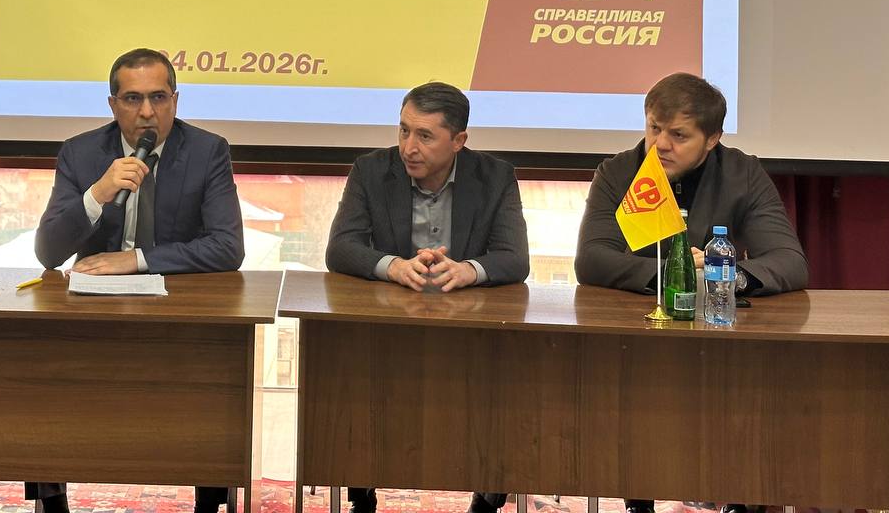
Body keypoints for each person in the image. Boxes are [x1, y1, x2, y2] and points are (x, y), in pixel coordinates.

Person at [575, 71, 808, 513]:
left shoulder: (742, 172)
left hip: (719, 335)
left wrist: (724, 274)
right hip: (639, 335)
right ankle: (637, 497)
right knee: (633, 400)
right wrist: (676, 272)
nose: (660, 145)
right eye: (654, 128)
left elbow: (789, 262)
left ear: (712, 139)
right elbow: (591, 259)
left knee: (750, 396)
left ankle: (740, 495)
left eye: (678, 135)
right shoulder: (619, 171)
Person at [30, 47, 245, 513]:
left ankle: (210, 496)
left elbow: (228, 247)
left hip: (179, 311)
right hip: (94, 313)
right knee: (42, 368)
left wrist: (139, 259)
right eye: (132, 99)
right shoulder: (81, 152)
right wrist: (97, 193)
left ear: (175, 100)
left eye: (158, 97)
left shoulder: (208, 151)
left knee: (220, 374)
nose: (147, 112)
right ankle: (52, 499)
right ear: (113, 105)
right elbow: (48, 252)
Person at [324, 81, 529, 513]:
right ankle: (361, 490)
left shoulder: (495, 177)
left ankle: (487, 494)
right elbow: (340, 248)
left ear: (459, 140)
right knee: (354, 380)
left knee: (499, 385)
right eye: (403, 130)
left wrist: (468, 269)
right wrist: (394, 266)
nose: (408, 147)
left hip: (469, 327)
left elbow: (515, 258)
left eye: (424, 136)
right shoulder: (371, 170)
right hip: (389, 325)